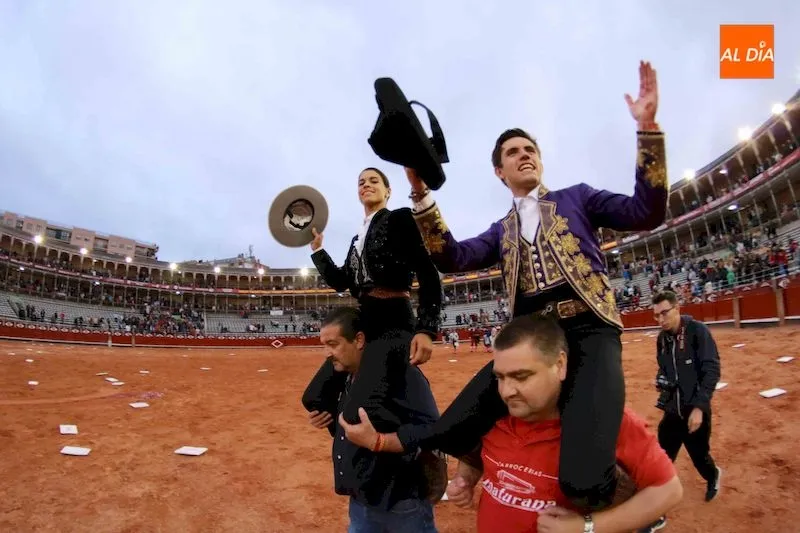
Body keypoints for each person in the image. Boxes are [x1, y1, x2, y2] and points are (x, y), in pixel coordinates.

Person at [394, 61, 670, 511]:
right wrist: (421, 193)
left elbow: (646, 212)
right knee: (450, 428)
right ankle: (476, 465)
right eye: (512, 153)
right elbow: (450, 257)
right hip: (529, 342)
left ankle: (628, 498)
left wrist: (648, 128)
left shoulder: (578, 197)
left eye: (530, 150)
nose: (524, 155)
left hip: (590, 331)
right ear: (499, 173)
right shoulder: (501, 228)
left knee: (582, 479)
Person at [339, 314, 683, 533]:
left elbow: (669, 490)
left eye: (522, 376)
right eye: (500, 377)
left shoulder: (604, 423)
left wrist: (589, 526)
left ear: (560, 365)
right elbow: (480, 456)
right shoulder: (494, 417)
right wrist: (467, 478)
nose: (507, 391)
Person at [302, 167, 443, 432]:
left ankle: (396, 446)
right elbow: (341, 282)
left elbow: (427, 271)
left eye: (374, 181)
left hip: (393, 322)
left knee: (364, 411)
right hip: (364, 323)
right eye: (361, 182)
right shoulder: (357, 239)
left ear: (388, 191)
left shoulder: (400, 219)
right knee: (314, 398)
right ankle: (349, 440)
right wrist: (318, 250)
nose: (366, 185)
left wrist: (426, 328)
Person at [304, 307, 441, 533]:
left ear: (358, 340)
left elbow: (433, 430)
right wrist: (330, 422)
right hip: (361, 501)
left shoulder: (403, 374)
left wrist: (379, 441)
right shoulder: (347, 375)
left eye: (333, 344)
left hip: (400, 504)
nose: (326, 353)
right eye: (324, 345)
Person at [652, 290, 722, 501]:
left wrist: (699, 408)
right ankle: (656, 499)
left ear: (678, 308)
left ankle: (714, 476)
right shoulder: (662, 339)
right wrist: (661, 381)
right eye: (656, 315)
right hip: (673, 410)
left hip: (695, 410)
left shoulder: (697, 331)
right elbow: (663, 368)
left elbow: (712, 370)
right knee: (662, 457)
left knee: (699, 457)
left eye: (665, 313)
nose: (661, 319)